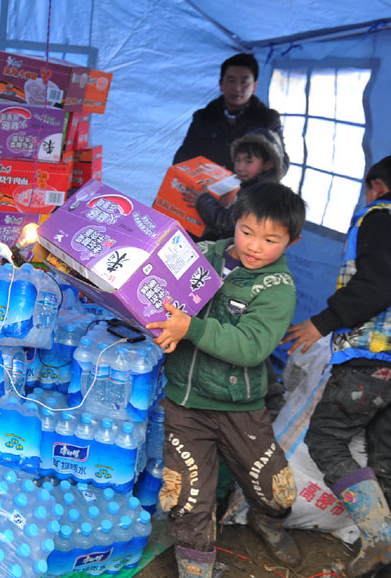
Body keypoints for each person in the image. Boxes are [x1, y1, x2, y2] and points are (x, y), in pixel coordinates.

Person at [146, 183, 306, 578]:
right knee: (186, 493)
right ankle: (195, 567)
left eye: (270, 240)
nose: (254, 246)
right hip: (185, 403)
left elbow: (252, 346)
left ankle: (267, 520)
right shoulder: (203, 256)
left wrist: (191, 328)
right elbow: (158, 287)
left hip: (241, 408)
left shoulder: (277, 289)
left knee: (273, 488)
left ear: (292, 241)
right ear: (234, 222)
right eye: (247, 232)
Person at [282, 156, 391, 578]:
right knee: (384, 456)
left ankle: (380, 538)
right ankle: (379, 560)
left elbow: (379, 284)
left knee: (327, 438)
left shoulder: (380, 217)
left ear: (377, 186)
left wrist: (321, 322)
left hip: (371, 360)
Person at [173, 53, 287, 172]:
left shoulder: (267, 120)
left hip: (247, 189)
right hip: (204, 188)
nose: (237, 88)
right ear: (221, 84)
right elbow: (183, 158)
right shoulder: (203, 117)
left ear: (254, 87)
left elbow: (281, 165)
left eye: (244, 82)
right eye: (231, 81)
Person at [183, 127, 288, 242]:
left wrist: (203, 200)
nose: (240, 168)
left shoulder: (258, 195)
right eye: (237, 160)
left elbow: (227, 226)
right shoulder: (255, 185)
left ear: (268, 164)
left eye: (249, 161)